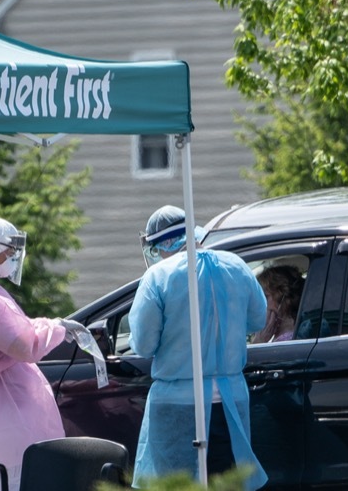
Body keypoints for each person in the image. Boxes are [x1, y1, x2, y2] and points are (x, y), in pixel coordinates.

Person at [129, 205, 269, 490]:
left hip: (178, 405)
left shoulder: (159, 277)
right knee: (227, 483)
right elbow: (257, 320)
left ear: (159, 246)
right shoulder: (236, 266)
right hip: (230, 403)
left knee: (176, 486)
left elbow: (143, 344)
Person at [0, 217, 86, 491]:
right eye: (9, 253)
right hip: (7, 400)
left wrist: (46, 324)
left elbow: (11, 332)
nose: (11, 258)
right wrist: (57, 328)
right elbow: (25, 344)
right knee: (18, 476)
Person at [251, 265, 304, 343]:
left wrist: (259, 341)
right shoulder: (298, 334)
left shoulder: (289, 341)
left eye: (265, 297)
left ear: (285, 298)